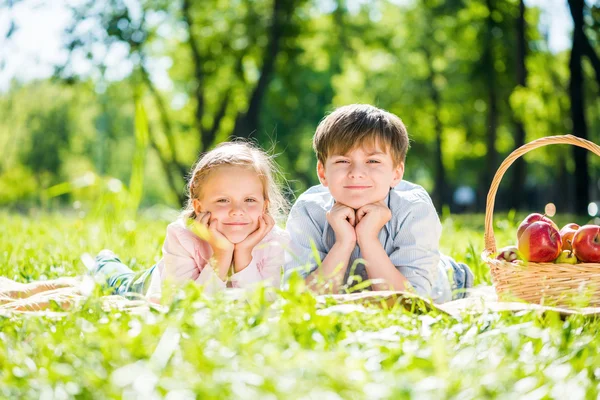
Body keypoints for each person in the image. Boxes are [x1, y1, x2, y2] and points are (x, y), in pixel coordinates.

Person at [284, 104, 473, 303]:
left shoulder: (414, 209)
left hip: (432, 284)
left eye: (373, 161)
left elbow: (407, 304)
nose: (356, 172)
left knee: (443, 276)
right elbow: (303, 301)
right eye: (342, 161)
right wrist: (343, 243)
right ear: (322, 173)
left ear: (396, 173)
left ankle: (455, 272)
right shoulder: (307, 211)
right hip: (353, 290)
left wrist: (368, 238)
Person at [93, 141, 289, 302]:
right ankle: (104, 262)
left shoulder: (274, 241)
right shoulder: (181, 237)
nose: (237, 211)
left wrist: (243, 255)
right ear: (199, 207)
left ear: (264, 206)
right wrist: (221, 255)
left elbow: (265, 305)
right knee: (120, 281)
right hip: (155, 282)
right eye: (223, 200)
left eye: (250, 200)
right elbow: (185, 308)